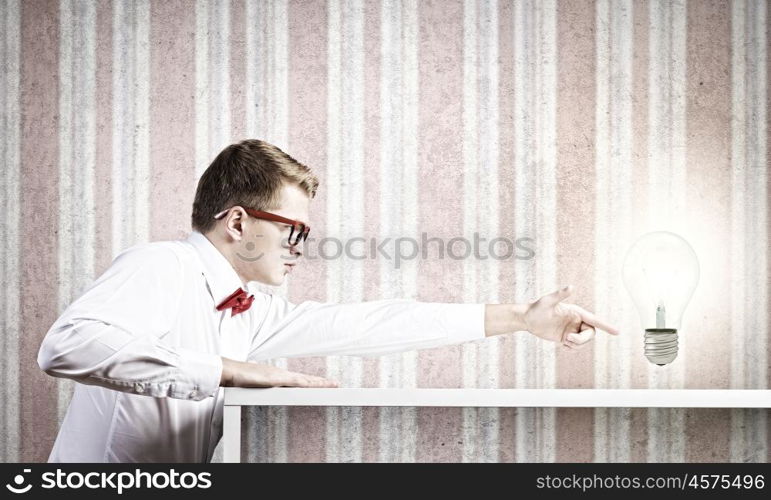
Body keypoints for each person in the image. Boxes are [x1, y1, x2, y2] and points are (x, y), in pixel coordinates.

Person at [37, 139, 619, 463]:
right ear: (238, 222)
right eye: (293, 229)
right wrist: (229, 370)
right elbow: (67, 344)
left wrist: (520, 318)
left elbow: (368, 324)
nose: (299, 248)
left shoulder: (246, 307)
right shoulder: (161, 264)